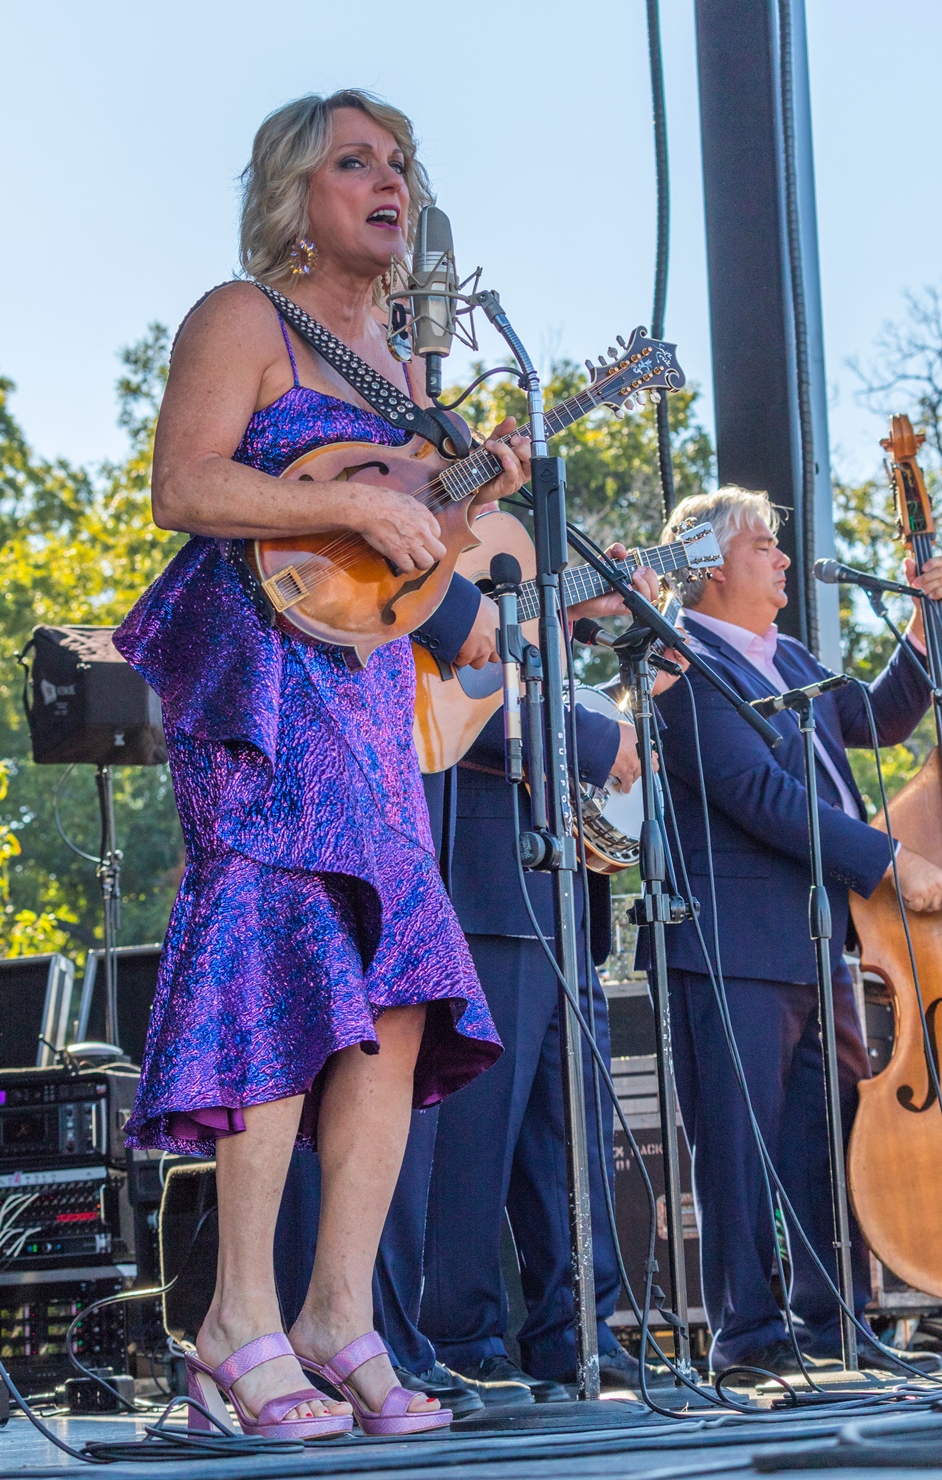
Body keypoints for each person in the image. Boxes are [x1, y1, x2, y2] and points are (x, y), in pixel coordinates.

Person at [113, 89, 531, 1439]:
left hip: (366, 702)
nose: (389, 181)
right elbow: (184, 485)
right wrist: (349, 494)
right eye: (355, 161)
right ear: (295, 194)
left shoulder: (402, 374)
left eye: (399, 163)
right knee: (273, 966)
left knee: (396, 993)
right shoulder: (244, 317)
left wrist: (466, 499)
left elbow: (397, 568)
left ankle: (338, 1315)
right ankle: (236, 1320)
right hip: (258, 689)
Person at [274, 525, 664, 1406]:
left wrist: (584, 619)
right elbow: (443, 701)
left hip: (551, 883)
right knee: (455, 1145)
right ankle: (446, 1333)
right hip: (471, 871)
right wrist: (586, 739)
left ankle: (556, 1334)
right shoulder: (414, 532)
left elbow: (500, 671)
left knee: (553, 1140)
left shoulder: (521, 545)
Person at [649, 485, 942, 1376]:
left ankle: (837, 1325)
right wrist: (889, 858)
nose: (781, 559)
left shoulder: (791, 657)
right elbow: (761, 795)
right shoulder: (681, 662)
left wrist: (920, 629)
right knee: (737, 1148)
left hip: (821, 943)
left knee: (829, 1140)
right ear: (708, 566)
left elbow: (881, 718)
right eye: (761, 546)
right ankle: (748, 1339)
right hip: (730, 944)